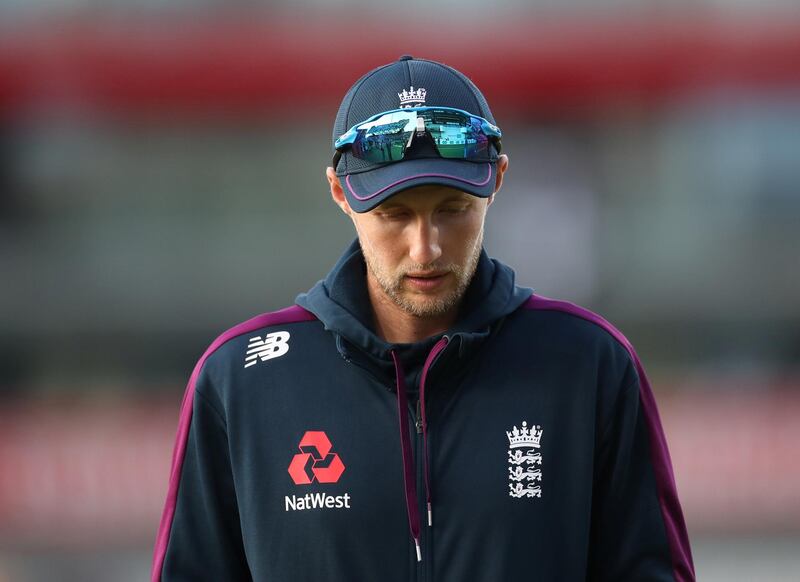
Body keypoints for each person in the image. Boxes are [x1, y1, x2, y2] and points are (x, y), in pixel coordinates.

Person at [151, 55, 695, 581]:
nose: (426, 248)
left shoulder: (588, 364)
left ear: (497, 180)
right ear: (341, 192)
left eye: (452, 211)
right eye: (394, 214)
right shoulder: (241, 381)